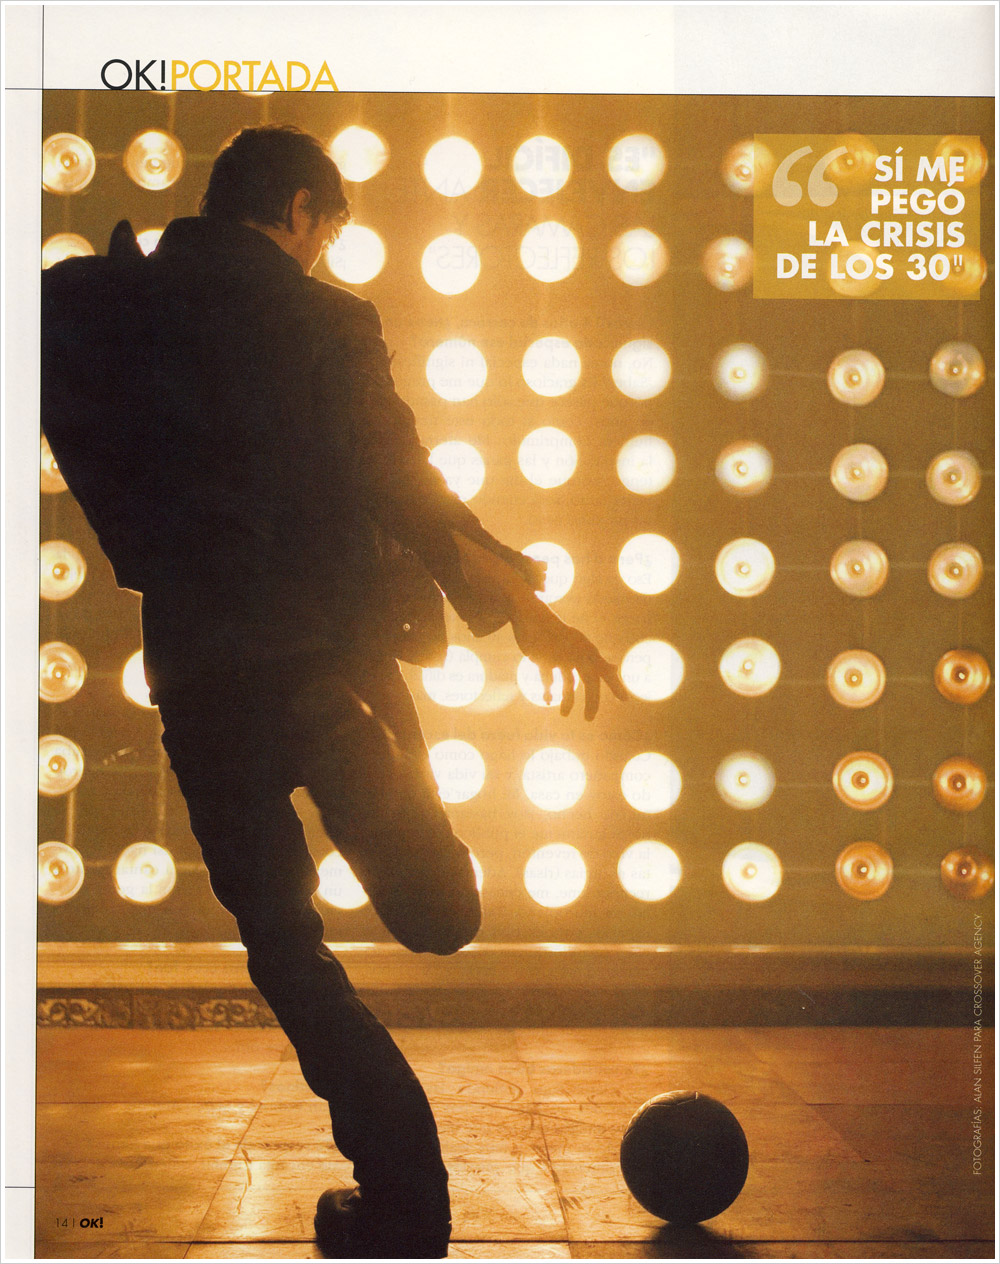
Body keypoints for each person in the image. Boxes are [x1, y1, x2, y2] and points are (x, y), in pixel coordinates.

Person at [41, 123, 627, 1259]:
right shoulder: (326, 318)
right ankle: (342, 739)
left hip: (202, 664)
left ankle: (404, 1199)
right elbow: (396, 477)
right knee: (441, 917)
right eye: (326, 233)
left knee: (283, 946)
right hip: (328, 657)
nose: (321, 255)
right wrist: (523, 606)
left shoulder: (92, 305)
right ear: (302, 209)